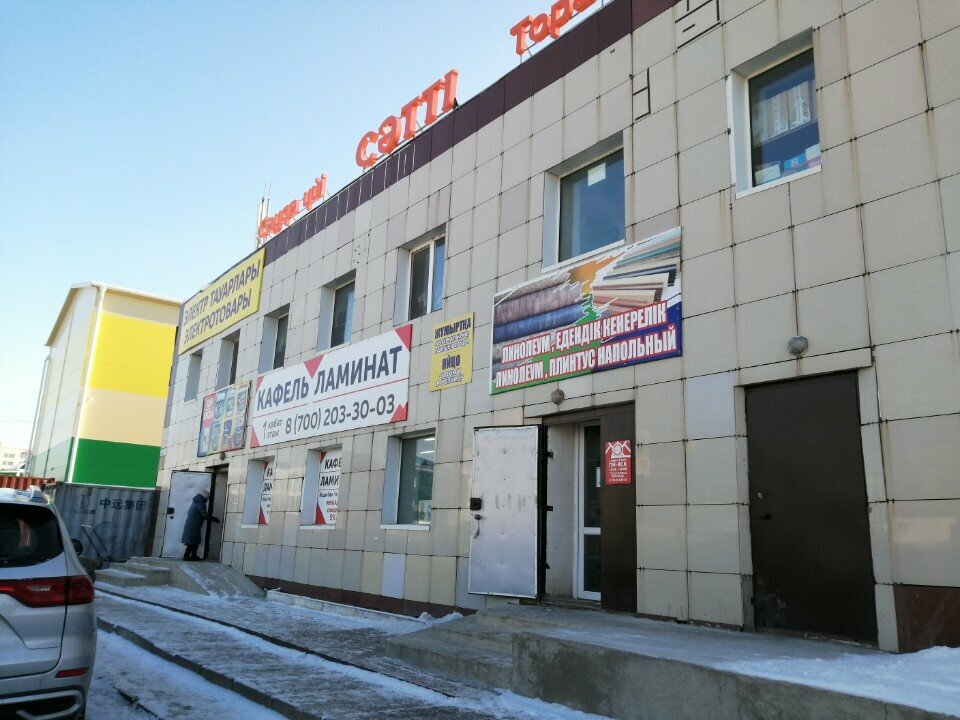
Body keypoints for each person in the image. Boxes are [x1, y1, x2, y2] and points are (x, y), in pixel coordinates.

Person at [180, 488, 219, 561]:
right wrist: (215, 519)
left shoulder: (195, 502)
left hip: (192, 524)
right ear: (205, 497)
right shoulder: (201, 504)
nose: (208, 499)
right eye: (208, 498)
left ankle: (193, 555)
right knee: (192, 541)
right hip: (193, 526)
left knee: (194, 541)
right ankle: (186, 556)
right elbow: (205, 515)